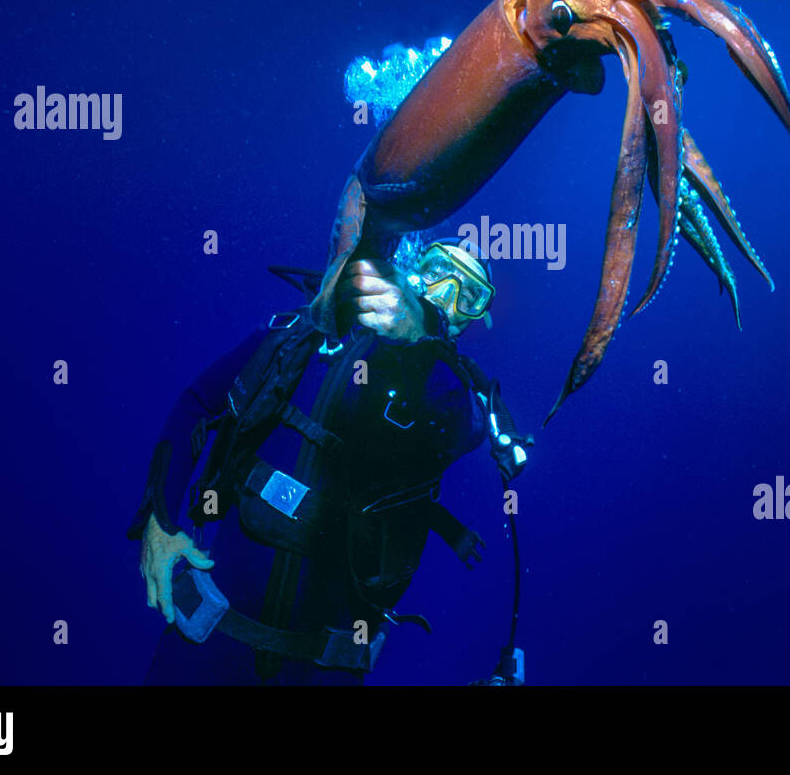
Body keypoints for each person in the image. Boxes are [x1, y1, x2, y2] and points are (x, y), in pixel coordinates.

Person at [128, 238, 529, 685]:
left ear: (471, 320)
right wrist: (159, 520)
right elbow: (199, 400)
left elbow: (457, 424)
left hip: (324, 671)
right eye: (438, 270)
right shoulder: (304, 336)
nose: (448, 293)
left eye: (469, 296)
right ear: (411, 267)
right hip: (204, 646)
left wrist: (417, 340)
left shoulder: (453, 395)